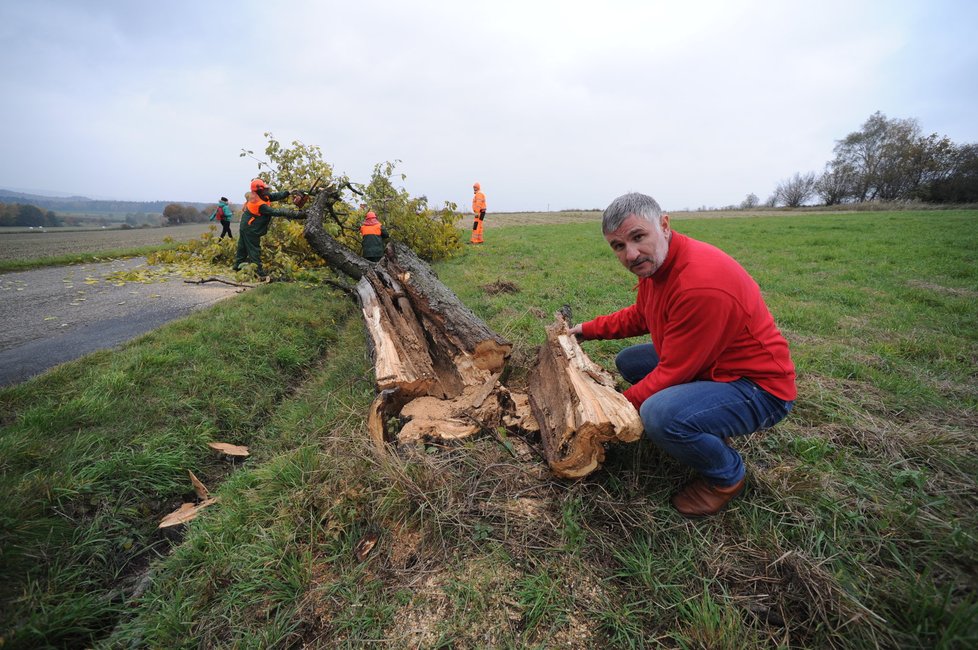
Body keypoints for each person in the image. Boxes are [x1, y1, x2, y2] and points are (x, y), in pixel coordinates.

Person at [568, 192, 796, 517]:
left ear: (663, 224)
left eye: (638, 237)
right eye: (618, 246)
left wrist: (609, 415)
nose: (630, 254)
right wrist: (587, 329)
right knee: (630, 361)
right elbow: (641, 316)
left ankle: (726, 477)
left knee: (660, 414)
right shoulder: (658, 265)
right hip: (715, 363)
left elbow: (674, 371)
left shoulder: (699, 285)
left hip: (760, 388)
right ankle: (705, 420)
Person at [233, 179, 302, 276]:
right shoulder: (259, 203)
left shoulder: (261, 195)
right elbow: (274, 212)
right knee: (254, 249)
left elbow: (274, 196)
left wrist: (288, 192)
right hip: (250, 227)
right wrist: (292, 213)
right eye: (264, 189)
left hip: (246, 225)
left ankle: (237, 267)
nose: (266, 190)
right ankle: (258, 272)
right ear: (259, 190)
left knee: (243, 247)